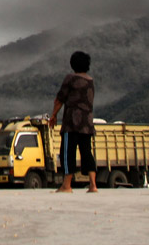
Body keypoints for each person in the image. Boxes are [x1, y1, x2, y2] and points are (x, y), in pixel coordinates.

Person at [51, 50, 96, 193]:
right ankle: (93, 185)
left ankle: (66, 185)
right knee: (86, 152)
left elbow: (60, 99)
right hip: (87, 122)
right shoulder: (90, 81)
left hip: (72, 122)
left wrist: (53, 116)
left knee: (68, 152)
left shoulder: (70, 78)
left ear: (72, 64)